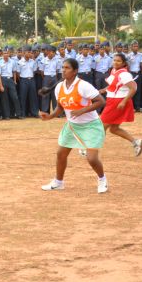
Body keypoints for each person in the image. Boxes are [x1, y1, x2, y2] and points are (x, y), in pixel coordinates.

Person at [40, 58, 108, 194]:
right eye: (63, 67)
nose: (63, 70)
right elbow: (60, 107)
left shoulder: (83, 85)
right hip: (72, 126)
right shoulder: (59, 87)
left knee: (92, 158)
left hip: (90, 126)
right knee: (61, 154)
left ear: (75, 71)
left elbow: (101, 101)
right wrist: (50, 116)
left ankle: (102, 179)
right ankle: (58, 182)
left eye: (67, 68)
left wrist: (82, 110)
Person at [97, 53, 142, 156]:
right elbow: (115, 85)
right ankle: (135, 142)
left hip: (117, 102)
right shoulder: (114, 71)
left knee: (101, 126)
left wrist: (124, 101)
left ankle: (90, 148)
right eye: (114, 60)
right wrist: (104, 90)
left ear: (123, 63)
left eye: (118, 61)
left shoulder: (124, 74)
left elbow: (133, 88)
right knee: (113, 129)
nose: (115, 62)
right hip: (113, 101)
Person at [0, 49, 20, 119]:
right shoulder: (0, 63)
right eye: (4, 53)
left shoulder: (12, 62)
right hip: (3, 80)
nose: (6, 54)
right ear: (2, 54)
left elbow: (14, 72)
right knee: (5, 99)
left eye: (7, 53)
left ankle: (18, 114)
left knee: (15, 97)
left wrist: (15, 81)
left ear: (9, 54)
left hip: (10, 80)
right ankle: (6, 115)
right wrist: (1, 85)